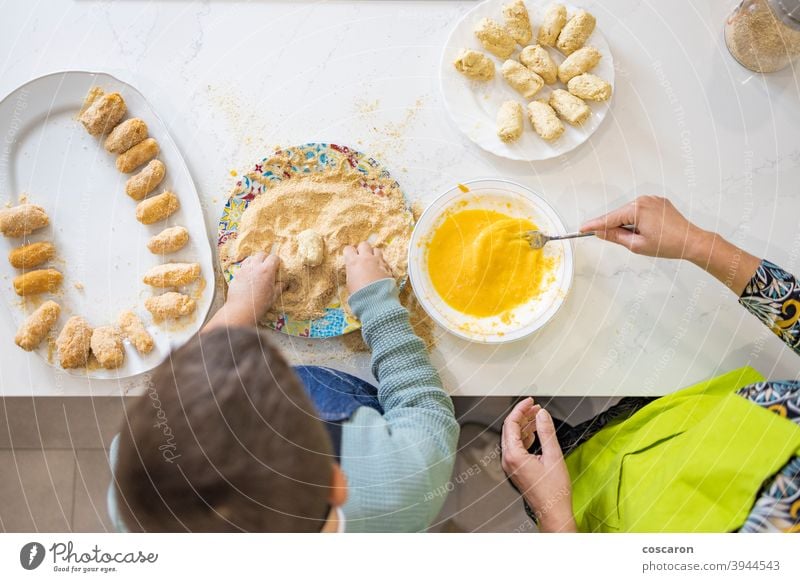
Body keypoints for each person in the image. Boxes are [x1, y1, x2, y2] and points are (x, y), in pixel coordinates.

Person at [108, 242, 459, 532]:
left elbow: (177, 395)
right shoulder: (404, 484)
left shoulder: (144, 495)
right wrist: (376, 302)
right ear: (338, 485)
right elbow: (422, 403)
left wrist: (239, 309)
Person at [502, 196, 800, 533]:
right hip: (669, 431)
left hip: (603, 517)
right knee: (563, 444)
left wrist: (552, 511)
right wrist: (698, 243)